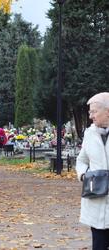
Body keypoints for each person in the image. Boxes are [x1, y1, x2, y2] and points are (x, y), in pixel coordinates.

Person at [76, 92, 109, 250]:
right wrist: (84, 175)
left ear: (107, 112)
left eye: (94, 111)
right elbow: (81, 160)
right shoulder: (89, 134)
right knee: (99, 245)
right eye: (90, 112)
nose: (91, 116)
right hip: (96, 200)